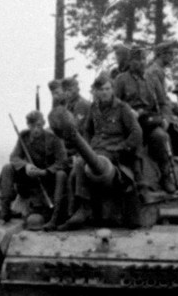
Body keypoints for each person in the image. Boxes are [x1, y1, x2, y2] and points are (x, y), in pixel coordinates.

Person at [57, 73, 142, 229]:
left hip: (114, 151)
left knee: (83, 163)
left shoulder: (122, 108)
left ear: (112, 90)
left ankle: (84, 208)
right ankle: (78, 209)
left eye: (108, 89)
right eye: (101, 89)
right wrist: (87, 146)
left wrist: (123, 147)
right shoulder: (94, 108)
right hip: (96, 150)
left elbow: (136, 132)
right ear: (96, 91)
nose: (105, 92)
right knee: (78, 166)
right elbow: (88, 130)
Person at [114, 45, 178, 194]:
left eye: (143, 59)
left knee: (161, 137)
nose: (141, 63)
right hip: (129, 122)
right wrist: (129, 111)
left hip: (149, 120)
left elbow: (162, 103)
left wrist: (164, 118)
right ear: (130, 62)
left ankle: (165, 175)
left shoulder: (151, 79)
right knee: (136, 135)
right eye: (137, 60)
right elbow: (115, 103)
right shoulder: (121, 79)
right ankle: (138, 177)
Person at [0, 110, 68, 224]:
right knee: (7, 168)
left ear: (43, 124)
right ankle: (5, 209)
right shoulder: (23, 137)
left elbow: (62, 161)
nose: (35, 129)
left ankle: (54, 214)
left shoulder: (54, 138)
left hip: (48, 179)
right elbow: (14, 157)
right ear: (28, 125)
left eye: (39, 126)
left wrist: (45, 172)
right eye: (32, 126)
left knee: (40, 213)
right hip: (28, 177)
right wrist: (26, 166)